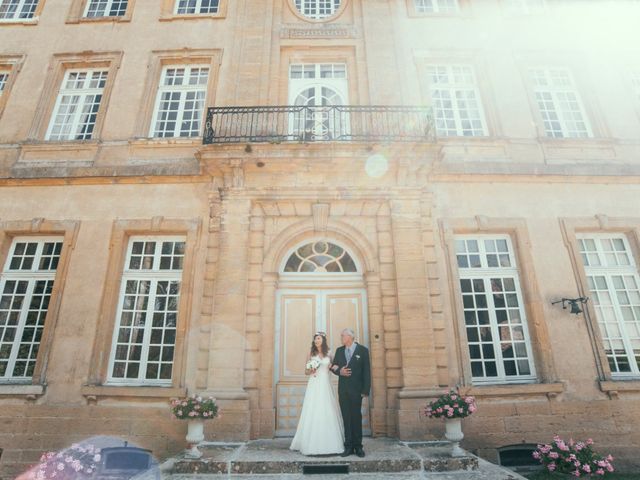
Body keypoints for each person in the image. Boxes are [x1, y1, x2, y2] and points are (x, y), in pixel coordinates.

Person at [289, 332, 345, 455]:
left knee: (326, 409)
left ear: (323, 340)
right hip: (314, 384)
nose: (316, 340)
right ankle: (309, 443)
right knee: (313, 409)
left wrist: (340, 370)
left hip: (325, 384)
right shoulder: (310, 353)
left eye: (318, 338)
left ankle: (330, 443)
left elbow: (332, 367)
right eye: (315, 339)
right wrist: (311, 369)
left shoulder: (329, 353)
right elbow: (306, 371)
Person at [330, 328, 371, 458]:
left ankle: (358, 447)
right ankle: (348, 446)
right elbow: (334, 366)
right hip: (343, 390)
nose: (341, 337)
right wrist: (339, 371)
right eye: (342, 335)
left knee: (356, 418)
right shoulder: (339, 350)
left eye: (343, 335)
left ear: (350, 337)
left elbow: (366, 372)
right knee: (346, 418)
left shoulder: (363, 351)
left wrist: (365, 390)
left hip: (357, 391)